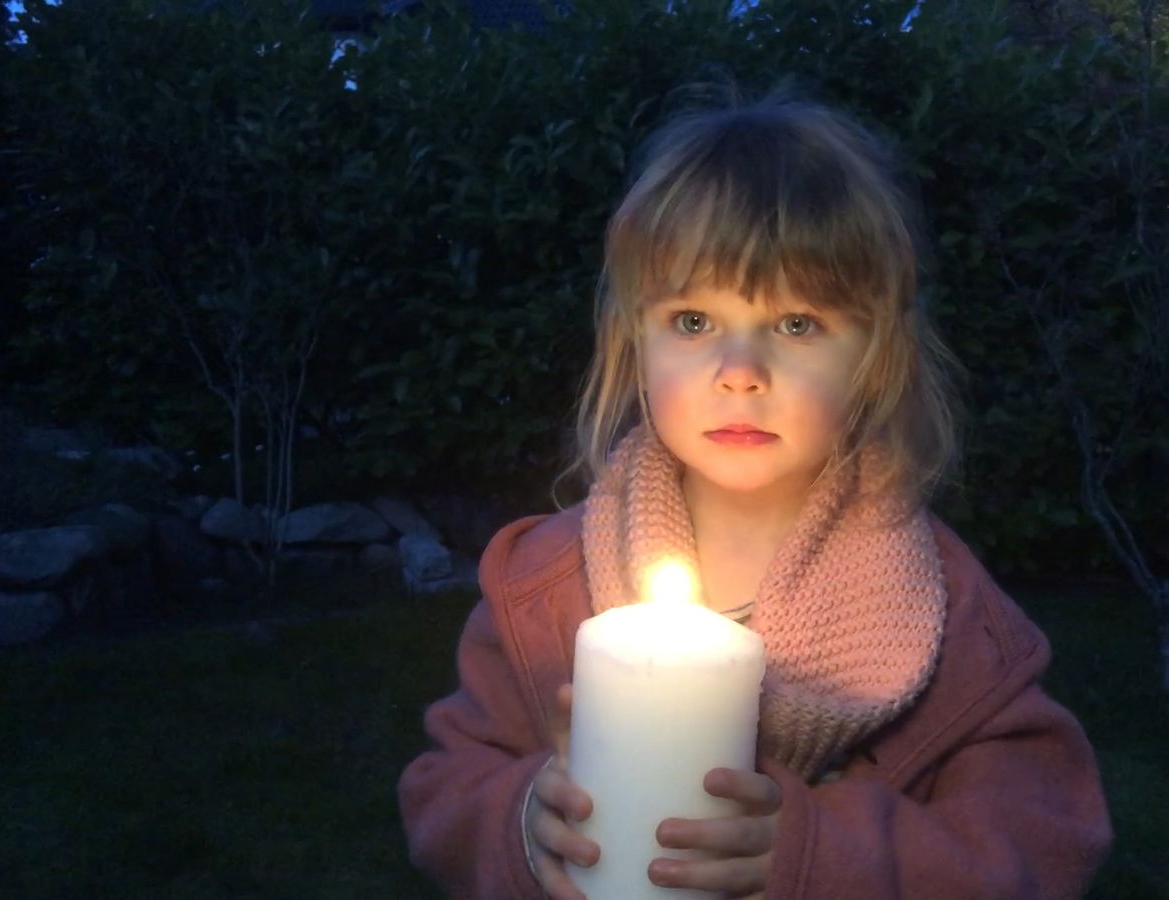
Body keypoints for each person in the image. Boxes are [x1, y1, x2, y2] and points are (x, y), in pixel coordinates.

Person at [398, 93, 1112, 899]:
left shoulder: (946, 615)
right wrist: (523, 824)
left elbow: (1042, 843)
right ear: (635, 340)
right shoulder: (545, 587)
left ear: (874, 356)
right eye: (694, 321)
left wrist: (820, 856)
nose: (740, 370)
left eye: (798, 324)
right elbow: (446, 786)